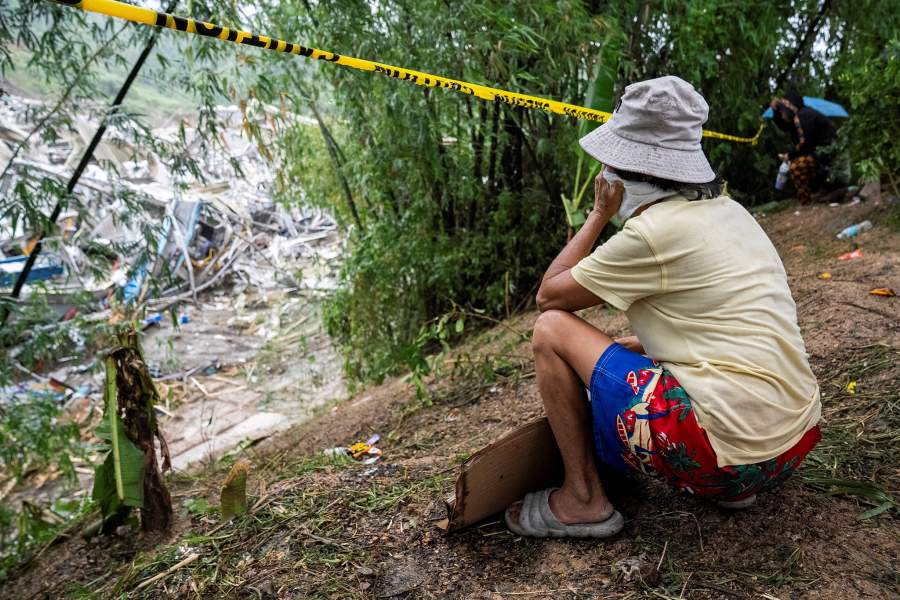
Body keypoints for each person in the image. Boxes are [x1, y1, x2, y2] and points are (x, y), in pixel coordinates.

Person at [504, 76, 822, 539]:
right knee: (635, 347)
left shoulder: (651, 234)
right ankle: (730, 487)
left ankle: (583, 498)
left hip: (723, 457)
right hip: (793, 442)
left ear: (623, 170)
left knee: (551, 330)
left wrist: (597, 214)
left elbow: (549, 295)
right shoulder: (733, 211)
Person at [770, 93, 840, 204]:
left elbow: (806, 143)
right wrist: (775, 111)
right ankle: (814, 195)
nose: (782, 116)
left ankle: (806, 201)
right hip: (819, 153)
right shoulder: (797, 117)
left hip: (827, 154)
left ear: (789, 109)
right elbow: (784, 126)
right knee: (799, 163)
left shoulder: (804, 116)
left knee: (796, 167)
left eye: (783, 112)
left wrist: (790, 155)